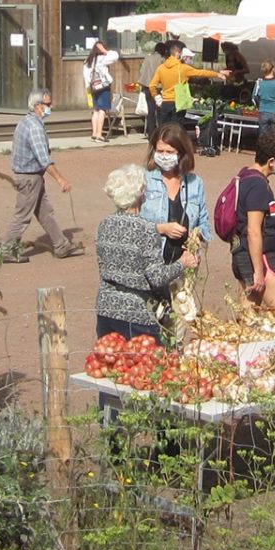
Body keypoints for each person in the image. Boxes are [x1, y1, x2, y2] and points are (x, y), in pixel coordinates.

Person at [96, 164, 197, 339]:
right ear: (141, 194)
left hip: (106, 307)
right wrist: (182, 262)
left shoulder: (104, 224)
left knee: (110, 361)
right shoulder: (146, 229)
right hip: (137, 313)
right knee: (146, 363)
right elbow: (156, 277)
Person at [1, 88, 79, 261]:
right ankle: (7, 249)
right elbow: (43, 158)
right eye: (48, 104)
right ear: (37, 106)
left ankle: (61, 245)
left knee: (45, 212)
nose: (51, 107)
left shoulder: (26, 122)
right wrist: (61, 179)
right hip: (29, 177)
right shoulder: (34, 127)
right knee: (22, 215)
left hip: (31, 175)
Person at [229, 129, 275, 306]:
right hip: (260, 258)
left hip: (242, 255)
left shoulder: (245, 175)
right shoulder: (257, 185)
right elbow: (253, 230)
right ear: (271, 161)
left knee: (247, 323)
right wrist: (258, 271)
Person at [140, 123, 211, 265]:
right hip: (151, 265)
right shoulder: (143, 180)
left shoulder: (195, 183)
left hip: (185, 265)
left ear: (181, 153)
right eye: (160, 151)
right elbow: (129, 225)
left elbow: (204, 223)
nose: (164, 156)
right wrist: (161, 229)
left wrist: (197, 235)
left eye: (170, 152)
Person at [147, 39, 222, 135]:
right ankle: (176, 148)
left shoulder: (161, 68)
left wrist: (157, 98)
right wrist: (217, 74)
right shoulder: (183, 68)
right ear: (178, 54)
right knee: (176, 130)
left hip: (165, 103)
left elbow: (152, 85)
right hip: (179, 103)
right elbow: (200, 72)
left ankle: (164, 147)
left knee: (164, 130)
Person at [82, 35, 122, 142]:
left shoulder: (87, 61)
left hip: (93, 87)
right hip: (103, 87)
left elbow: (85, 76)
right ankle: (99, 134)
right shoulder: (103, 58)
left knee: (95, 110)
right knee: (103, 110)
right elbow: (115, 56)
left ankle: (94, 133)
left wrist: (88, 88)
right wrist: (105, 51)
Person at [253, 61, 275, 139]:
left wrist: (258, 106)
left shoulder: (259, 82)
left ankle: (262, 150)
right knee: (273, 138)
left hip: (263, 112)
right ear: (273, 69)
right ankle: (272, 150)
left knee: (263, 138)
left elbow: (254, 97)